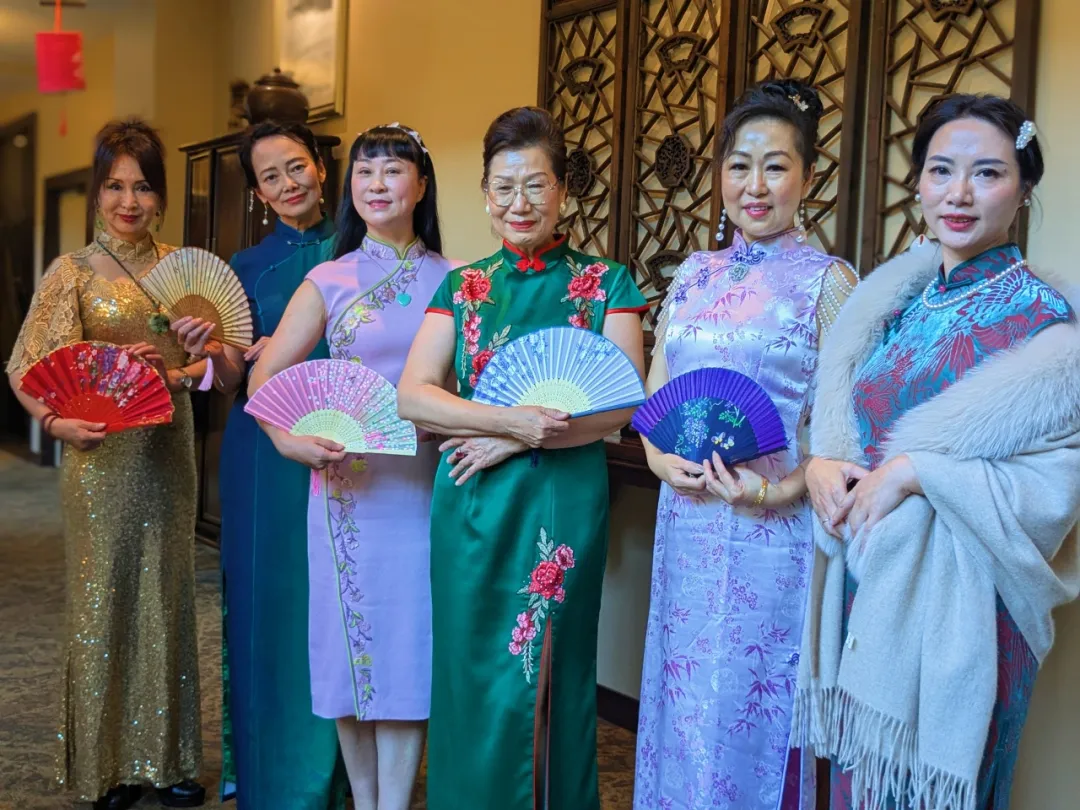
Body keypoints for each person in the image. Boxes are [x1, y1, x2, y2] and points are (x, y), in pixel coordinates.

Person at [797, 94, 1080, 810]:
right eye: (941, 170)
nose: (959, 193)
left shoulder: (1046, 325)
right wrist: (820, 462)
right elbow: (846, 422)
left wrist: (918, 471)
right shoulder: (895, 304)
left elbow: (1058, 486)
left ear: (1024, 188)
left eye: (988, 173)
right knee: (865, 781)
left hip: (970, 605)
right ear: (918, 181)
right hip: (868, 575)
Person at [397, 106, 650, 810]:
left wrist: (515, 437)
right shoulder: (462, 287)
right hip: (470, 501)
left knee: (549, 671)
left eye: (536, 185)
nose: (519, 203)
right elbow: (413, 396)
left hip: (560, 500)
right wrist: (508, 419)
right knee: (470, 670)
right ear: (484, 193)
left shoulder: (608, 284)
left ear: (563, 190)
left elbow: (621, 404)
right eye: (503, 187)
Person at [632, 79, 859, 810]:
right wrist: (658, 458)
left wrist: (776, 489)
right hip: (687, 521)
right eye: (739, 165)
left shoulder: (830, 283)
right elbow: (658, 386)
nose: (754, 185)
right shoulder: (693, 274)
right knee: (683, 696)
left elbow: (846, 429)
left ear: (808, 177)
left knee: (752, 703)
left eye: (775, 166)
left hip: (776, 533)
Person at [5, 119, 244, 810]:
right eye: (115, 186)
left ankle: (166, 761)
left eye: (142, 187)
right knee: (102, 600)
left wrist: (197, 357)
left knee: (167, 598)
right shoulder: (71, 272)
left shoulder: (184, 272)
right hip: (99, 459)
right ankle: (106, 766)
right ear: (97, 192)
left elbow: (225, 372)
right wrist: (55, 422)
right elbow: (25, 366)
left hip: (168, 454)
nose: (128, 201)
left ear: (161, 196)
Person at [248, 123, 448, 810]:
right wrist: (289, 441)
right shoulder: (327, 279)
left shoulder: (459, 280)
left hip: (422, 489)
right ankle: (365, 802)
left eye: (393, 170)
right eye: (364, 172)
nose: (377, 184)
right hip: (343, 491)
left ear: (421, 185)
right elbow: (263, 384)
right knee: (346, 656)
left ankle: (394, 804)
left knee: (409, 652)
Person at [210, 121, 345, 810]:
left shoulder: (360, 245)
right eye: (270, 176)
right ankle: (269, 774)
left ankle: (338, 777)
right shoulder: (244, 267)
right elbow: (233, 376)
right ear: (258, 193)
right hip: (263, 450)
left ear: (320, 164)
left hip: (347, 442)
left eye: (296, 166)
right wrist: (215, 348)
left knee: (339, 603)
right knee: (270, 604)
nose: (288, 184)